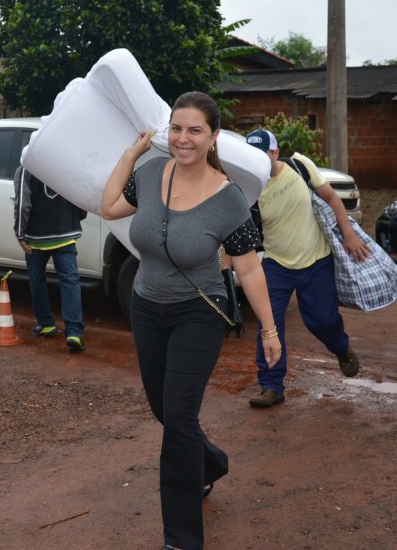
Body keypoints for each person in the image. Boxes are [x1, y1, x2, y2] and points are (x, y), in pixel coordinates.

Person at [100, 92, 279, 550]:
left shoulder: (228, 198)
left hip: (198, 312)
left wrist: (270, 329)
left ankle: (180, 539)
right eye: (177, 128)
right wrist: (131, 153)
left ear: (213, 136)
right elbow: (110, 207)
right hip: (146, 308)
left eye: (195, 130)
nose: (184, 139)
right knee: (165, 410)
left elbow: (250, 267)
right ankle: (211, 463)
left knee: (178, 419)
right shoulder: (149, 173)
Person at [243, 129, 368, 409]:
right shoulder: (250, 187)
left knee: (321, 321)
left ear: (274, 153)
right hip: (276, 264)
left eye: (262, 154)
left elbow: (333, 199)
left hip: (316, 261)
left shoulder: (300, 165)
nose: (257, 161)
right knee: (268, 324)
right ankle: (271, 385)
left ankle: (341, 348)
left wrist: (348, 234)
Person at [13, 164, 87, 351]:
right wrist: (75, 218)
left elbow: (22, 203)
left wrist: (20, 234)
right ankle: (74, 332)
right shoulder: (64, 164)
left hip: (37, 239)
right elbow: (81, 196)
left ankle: (46, 324)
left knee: (37, 280)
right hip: (66, 233)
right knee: (70, 282)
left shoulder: (26, 168)